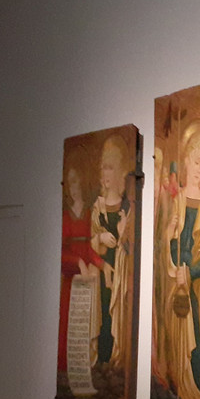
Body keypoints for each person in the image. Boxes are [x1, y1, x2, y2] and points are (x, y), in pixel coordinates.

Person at [160, 126, 200, 399]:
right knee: (176, 342)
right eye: (196, 162)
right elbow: (169, 246)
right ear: (186, 162)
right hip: (177, 281)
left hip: (196, 283)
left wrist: (190, 272)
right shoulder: (177, 200)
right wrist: (169, 236)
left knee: (198, 342)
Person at [90, 136, 134, 366]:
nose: (105, 173)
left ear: (119, 172)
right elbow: (89, 240)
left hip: (120, 267)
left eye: (110, 168)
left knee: (117, 311)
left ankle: (117, 356)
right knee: (102, 310)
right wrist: (100, 237)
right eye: (103, 168)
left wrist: (122, 234)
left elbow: (130, 242)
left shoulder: (126, 206)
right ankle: (102, 356)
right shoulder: (98, 206)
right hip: (100, 267)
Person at [58, 152, 102, 374]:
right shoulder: (65, 217)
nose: (73, 187)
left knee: (86, 324)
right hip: (71, 279)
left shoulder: (90, 213)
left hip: (87, 281)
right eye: (70, 182)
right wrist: (78, 263)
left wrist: (98, 265)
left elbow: (92, 248)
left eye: (76, 181)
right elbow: (60, 253)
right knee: (69, 324)